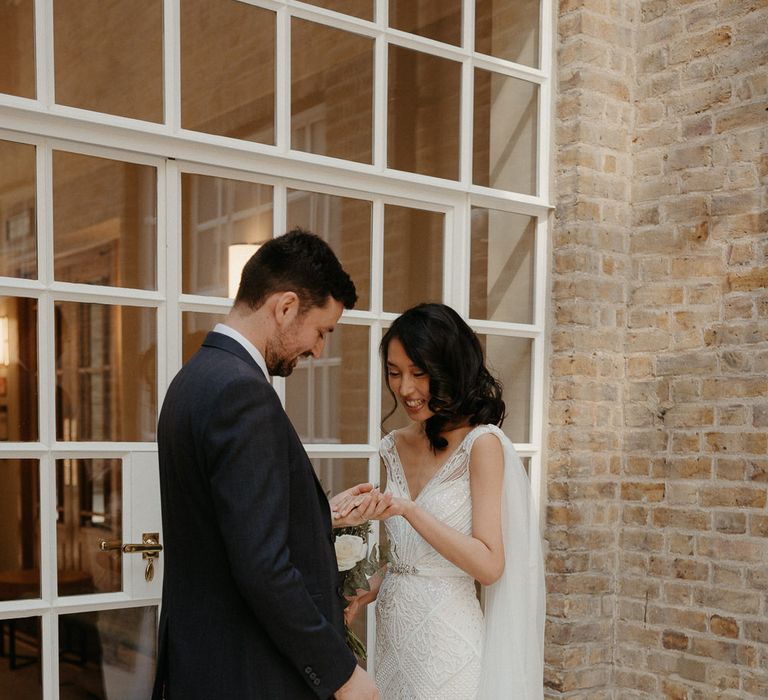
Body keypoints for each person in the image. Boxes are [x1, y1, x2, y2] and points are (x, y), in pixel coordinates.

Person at [152, 229, 388, 699]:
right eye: (321, 331)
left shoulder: (193, 379)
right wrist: (340, 673)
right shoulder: (244, 395)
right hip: (247, 672)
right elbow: (263, 567)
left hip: (203, 661)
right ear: (284, 307)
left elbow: (229, 524)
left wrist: (319, 514)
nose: (319, 350)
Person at [343, 303, 545, 699]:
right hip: (395, 638)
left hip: (448, 645)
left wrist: (410, 510)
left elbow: (489, 565)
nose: (405, 389)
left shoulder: (480, 445)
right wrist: (369, 586)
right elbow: (412, 557)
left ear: (450, 370)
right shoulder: (393, 445)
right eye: (395, 372)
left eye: (419, 374)